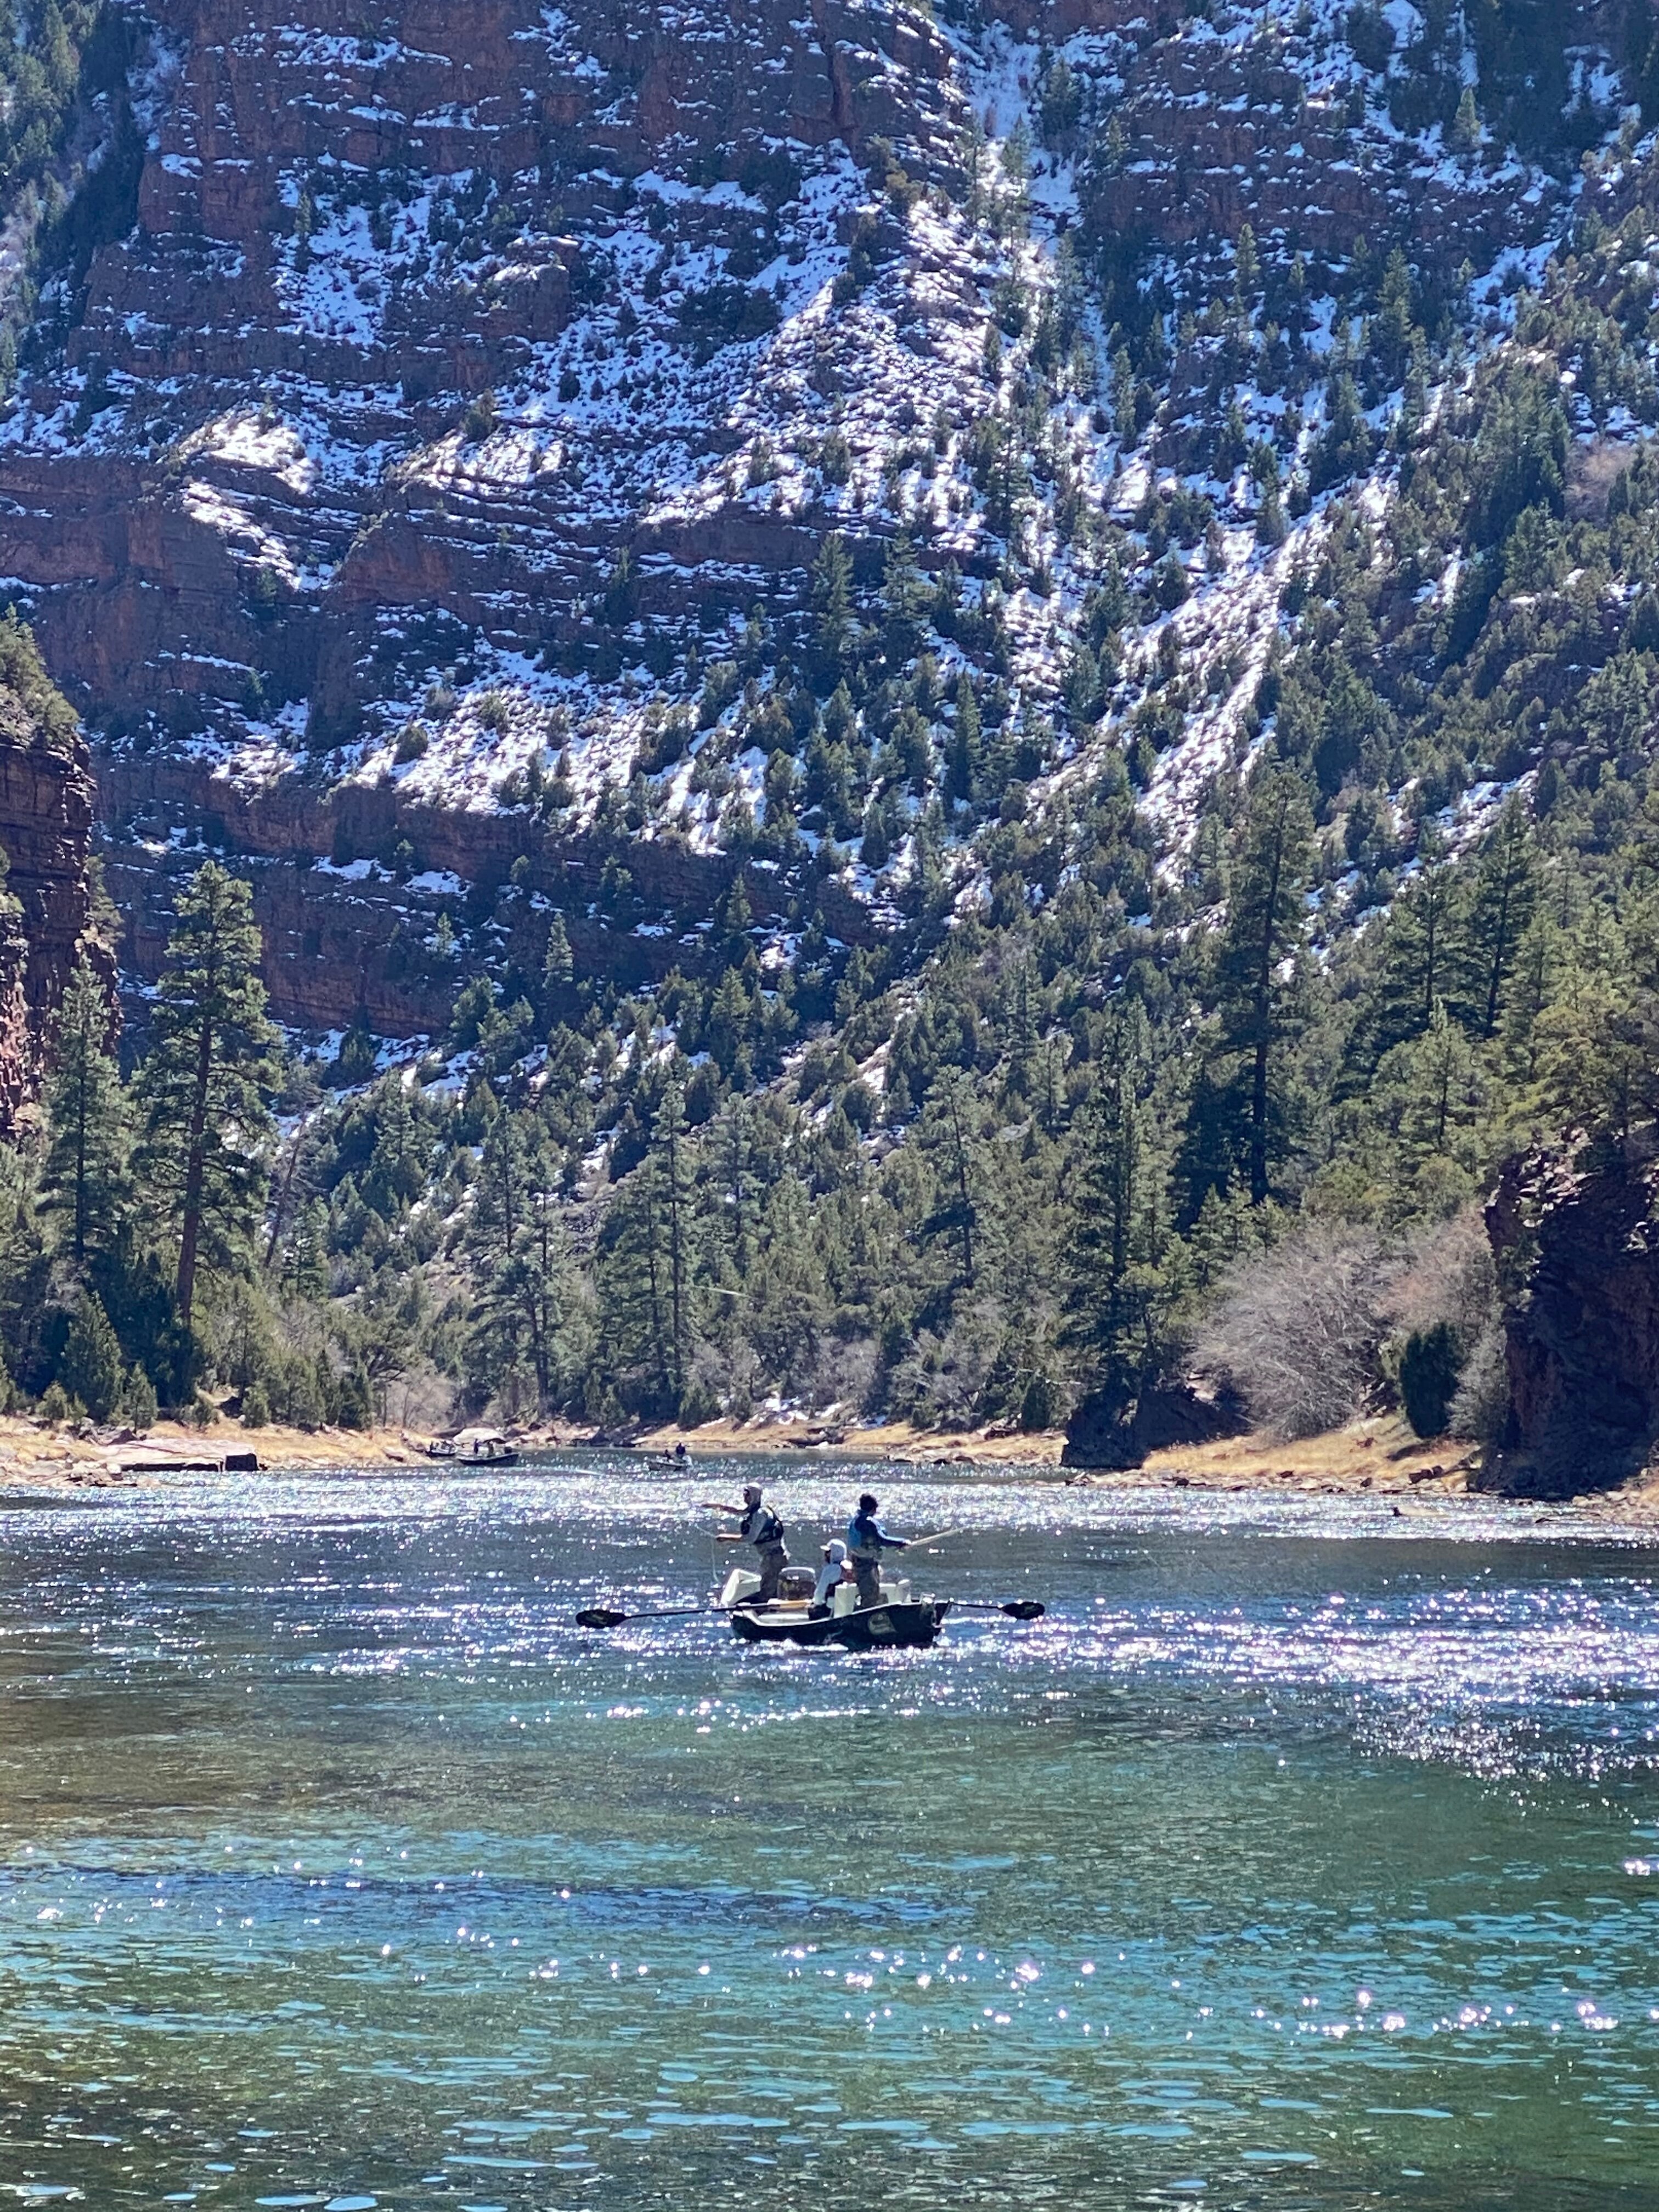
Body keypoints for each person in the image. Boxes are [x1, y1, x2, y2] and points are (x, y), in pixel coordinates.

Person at [702, 1483, 789, 1605]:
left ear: (753, 1496)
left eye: (747, 1495)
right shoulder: (757, 1510)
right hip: (772, 1557)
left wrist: (726, 1538)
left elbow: (749, 1539)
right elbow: (739, 1511)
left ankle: (767, 1615)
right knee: (768, 1587)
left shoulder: (760, 1515)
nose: (744, 1497)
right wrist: (718, 1506)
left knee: (767, 1594)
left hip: (774, 1558)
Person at [845, 1491, 907, 1610]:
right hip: (865, 1565)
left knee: (872, 1593)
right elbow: (881, 1540)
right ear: (874, 1508)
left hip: (859, 1562)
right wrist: (901, 1542)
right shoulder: (867, 1522)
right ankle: (866, 1619)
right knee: (870, 1596)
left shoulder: (857, 1520)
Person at [812, 1538, 850, 1613]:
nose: (826, 1555)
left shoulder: (832, 1569)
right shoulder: (849, 1566)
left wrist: (815, 1603)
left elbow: (820, 1593)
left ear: (835, 1553)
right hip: (848, 1607)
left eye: (828, 1552)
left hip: (831, 1608)